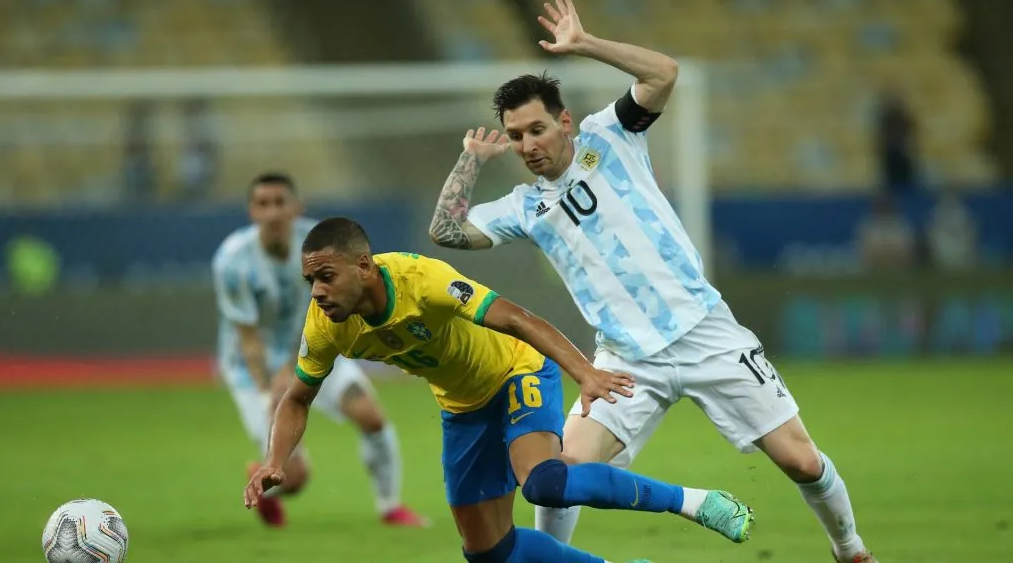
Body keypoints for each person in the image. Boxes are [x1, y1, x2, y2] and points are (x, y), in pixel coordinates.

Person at [428, 0, 876, 563]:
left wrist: (585, 45)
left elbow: (664, 72)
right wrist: (471, 157)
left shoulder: (609, 136)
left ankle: (850, 549)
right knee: (557, 475)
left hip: (706, 332)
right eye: (515, 136)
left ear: (563, 121)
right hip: (624, 362)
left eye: (536, 129)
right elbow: (444, 229)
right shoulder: (522, 206)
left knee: (802, 462)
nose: (527, 145)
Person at [245, 217, 754, 563]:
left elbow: (517, 318)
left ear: (364, 266)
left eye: (326, 277)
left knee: (544, 483)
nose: (317, 292)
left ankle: (692, 501)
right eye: (311, 280)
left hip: (517, 373)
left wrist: (584, 372)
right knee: (488, 552)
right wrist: (275, 460)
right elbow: (297, 398)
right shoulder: (325, 325)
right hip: (462, 406)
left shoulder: (424, 281)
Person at [213, 173, 425, 528]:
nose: (273, 212)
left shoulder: (320, 249)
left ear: (296, 206)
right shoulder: (233, 263)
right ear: (252, 211)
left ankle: (390, 507)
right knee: (291, 476)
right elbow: (249, 340)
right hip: (252, 370)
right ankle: (266, 491)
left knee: (372, 417)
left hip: (316, 348)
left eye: (280, 202)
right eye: (263, 204)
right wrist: (270, 394)